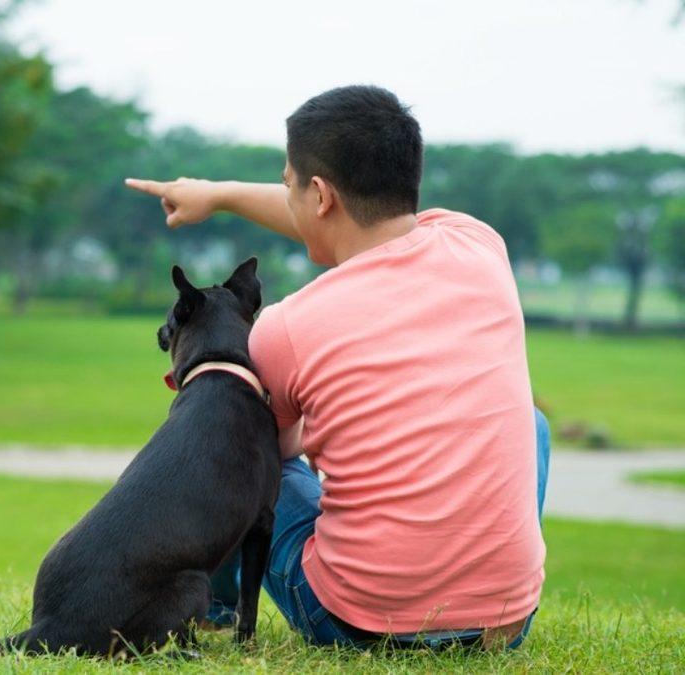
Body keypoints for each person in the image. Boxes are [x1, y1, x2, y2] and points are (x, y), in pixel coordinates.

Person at [125, 85, 548, 650]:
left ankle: (217, 605)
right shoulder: (478, 244)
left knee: (239, 440)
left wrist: (303, 435)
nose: (288, 198)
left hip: (357, 623)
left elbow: (243, 454)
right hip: (504, 627)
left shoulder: (289, 326)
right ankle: (485, 590)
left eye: (287, 184)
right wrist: (218, 194)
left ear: (318, 194)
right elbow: (359, 219)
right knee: (534, 427)